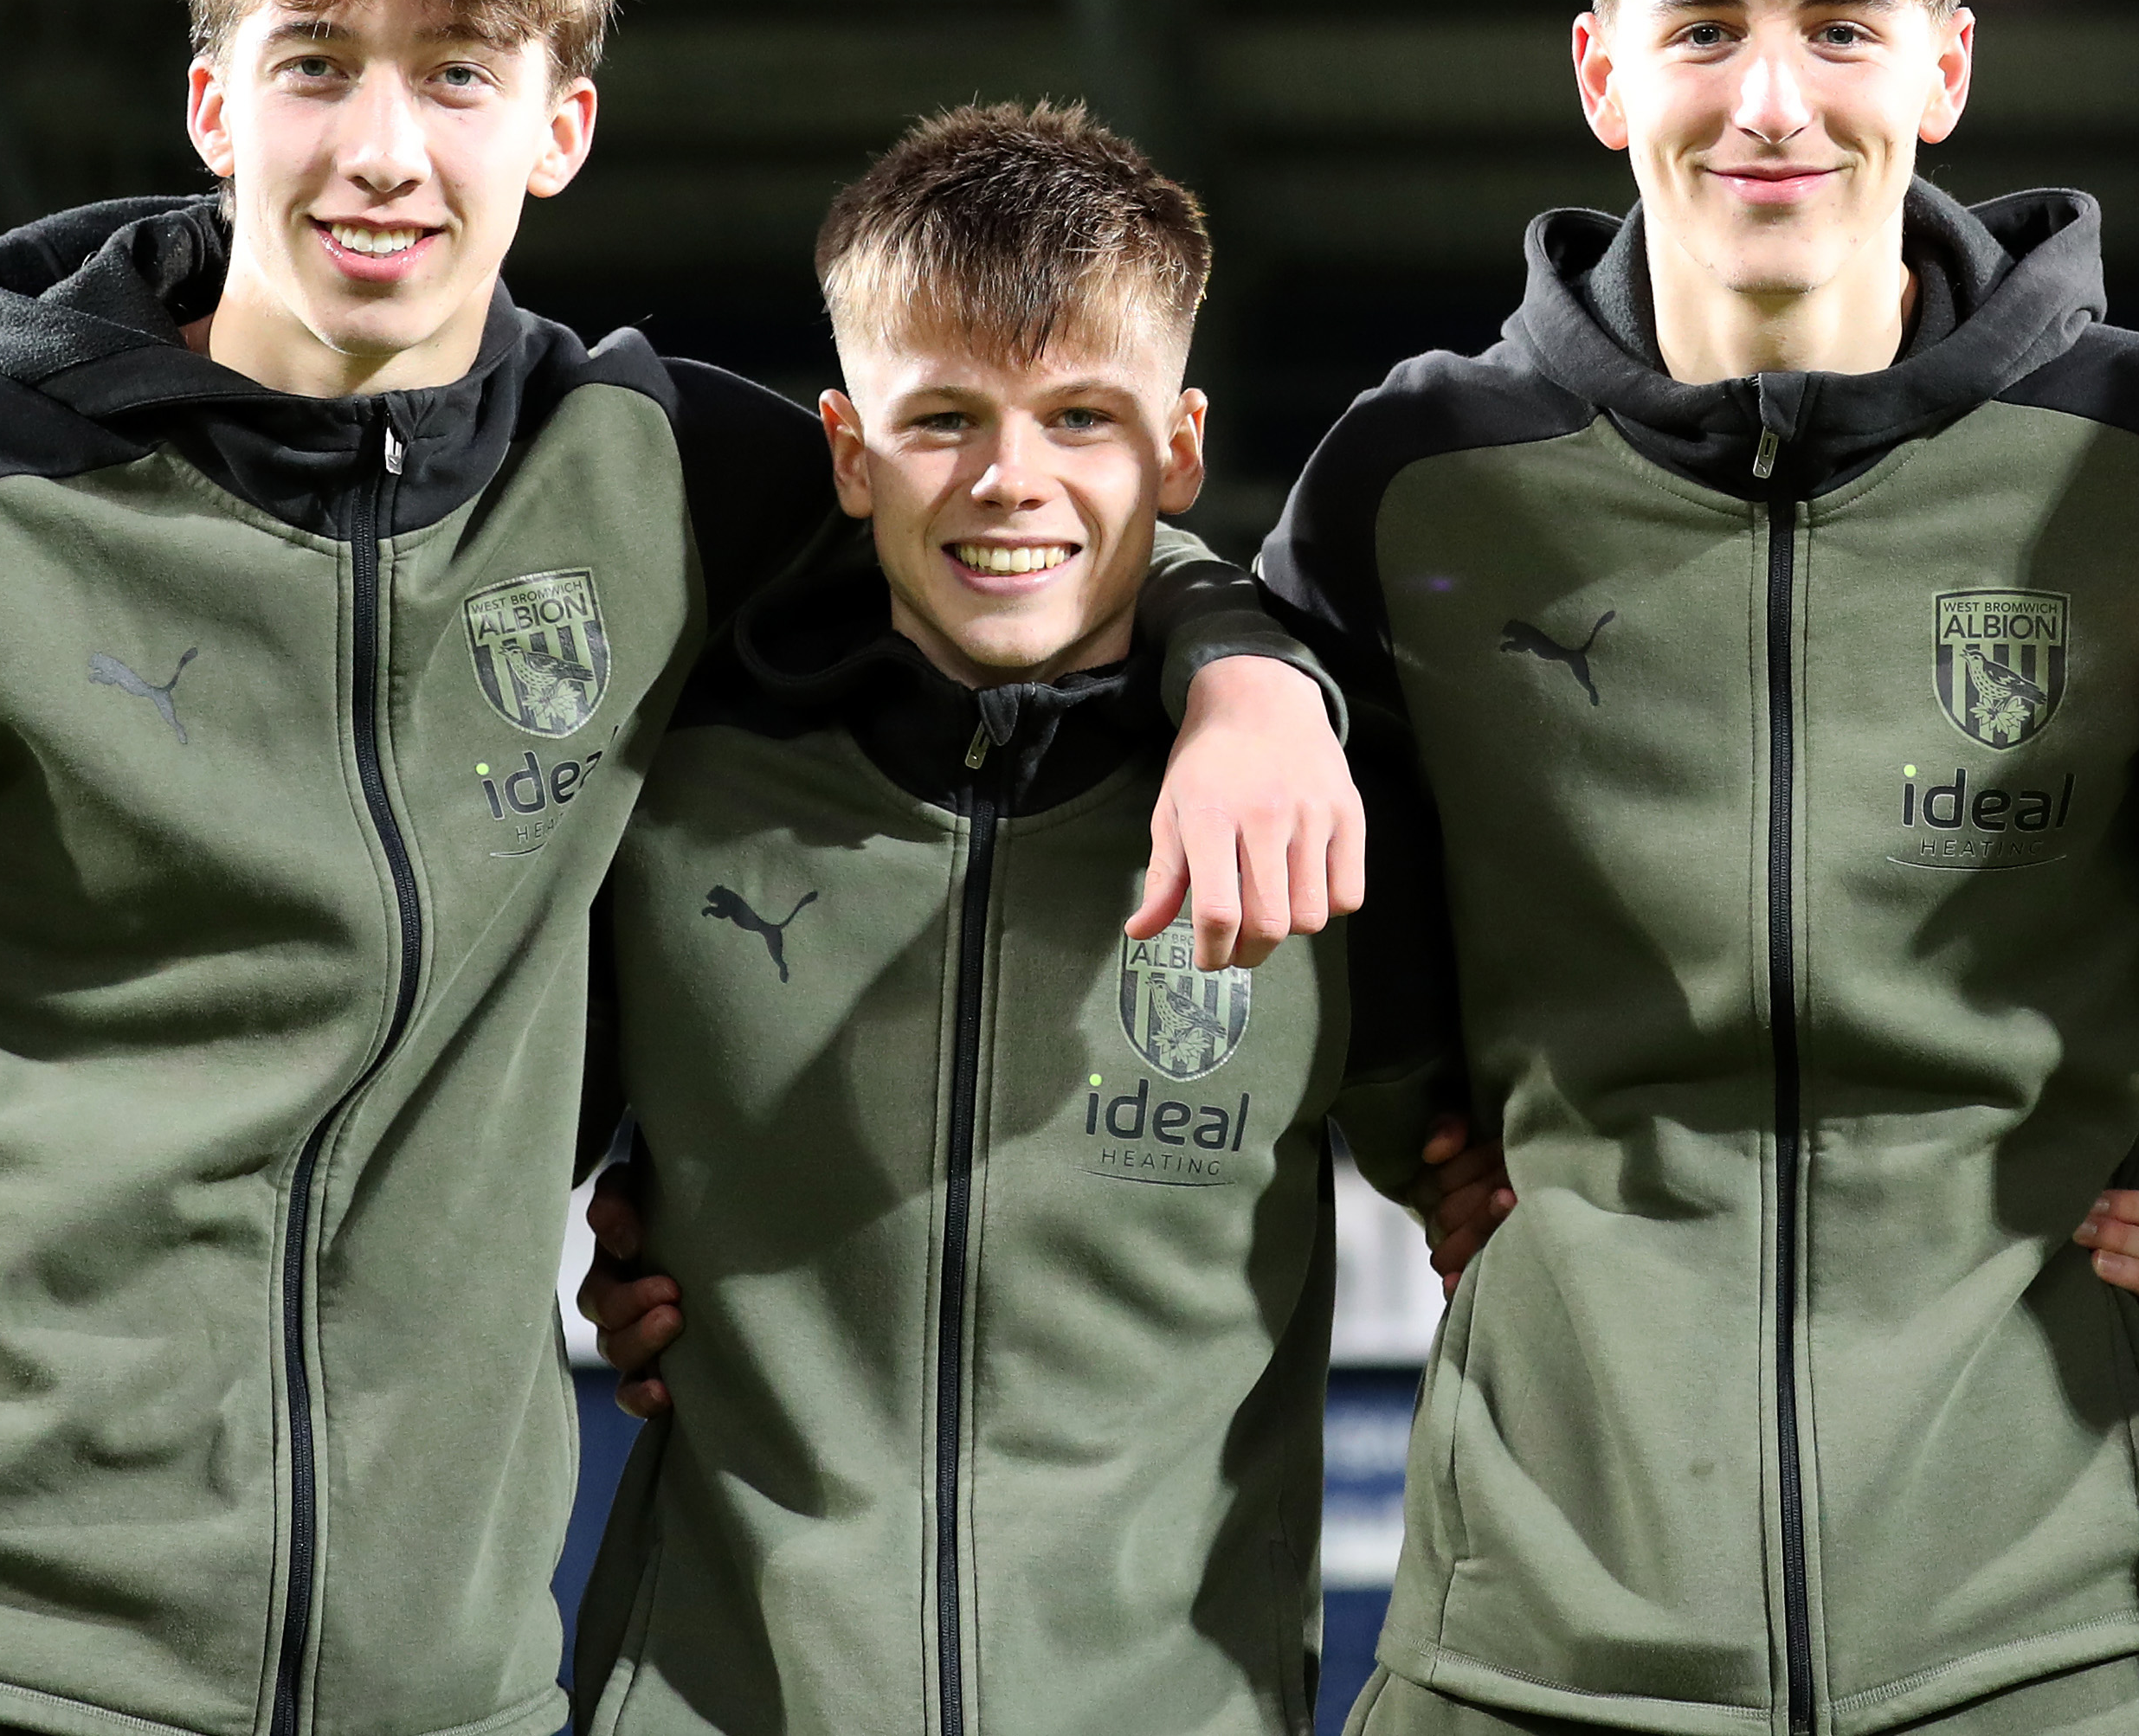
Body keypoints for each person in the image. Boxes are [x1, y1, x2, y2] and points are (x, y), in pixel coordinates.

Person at [0, 0, 1347, 1736]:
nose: (383, 146)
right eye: (315, 62)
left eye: (457, 70)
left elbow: (1028, 515)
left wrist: (1250, 668)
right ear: (214, 103)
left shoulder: (655, 472)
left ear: (560, 126)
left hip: (443, 1685)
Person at [1261, 0, 2139, 1736]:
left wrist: (2132, 1113)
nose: (1768, 99)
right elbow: (1252, 800)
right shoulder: (1420, 471)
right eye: (1702, 26)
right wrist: (1424, 1134)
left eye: (1840, 25)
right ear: (1600, 73)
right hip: (1532, 1635)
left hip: (2036, 1628)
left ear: (1943, 72)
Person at [565, 104, 1466, 1735]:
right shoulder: (671, 782)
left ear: (1181, 448)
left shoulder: (1324, 825)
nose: (1011, 480)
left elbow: (1530, 1199)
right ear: (845, 448)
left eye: (1082, 418)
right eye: (942, 420)